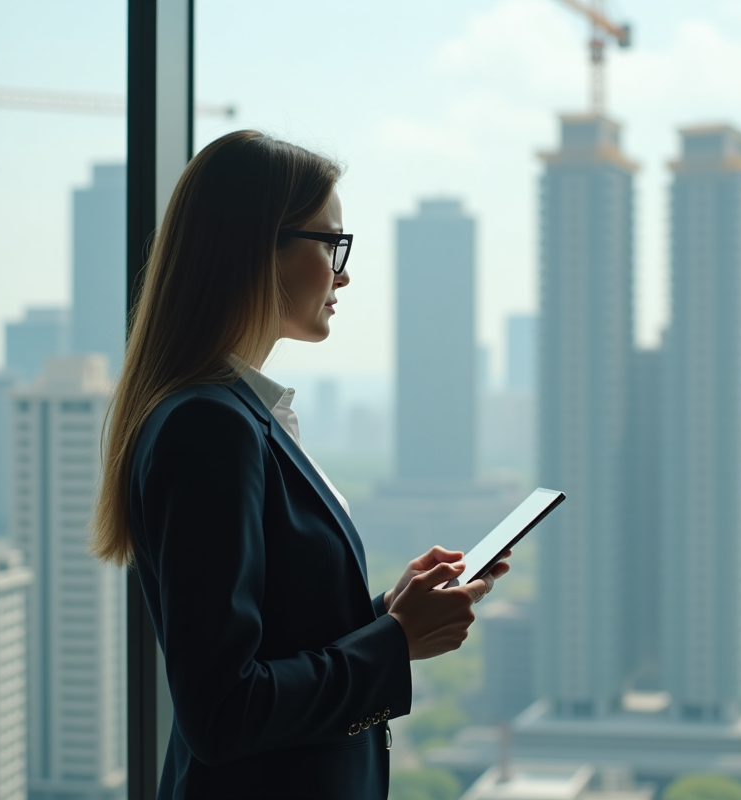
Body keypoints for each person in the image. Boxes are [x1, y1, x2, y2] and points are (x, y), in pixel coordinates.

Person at [90, 129, 508, 799]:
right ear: (258, 247)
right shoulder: (210, 426)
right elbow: (223, 711)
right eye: (332, 244)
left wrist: (385, 616)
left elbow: (276, 642)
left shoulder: (232, 414)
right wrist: (396, 643)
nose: (344, 274)